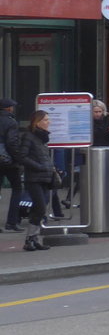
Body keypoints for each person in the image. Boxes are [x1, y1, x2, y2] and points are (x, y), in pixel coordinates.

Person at [14, 110, 56, 251]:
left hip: (44, 177)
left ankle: (34, 239)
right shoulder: (29, 136)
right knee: (40, 207)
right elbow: (22, 156)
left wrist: (50, 168)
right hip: (34, 178)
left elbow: (43, 156)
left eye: (48, 119)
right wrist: (39, 166)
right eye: (45, 120)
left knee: (39, 209)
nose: (48, 122)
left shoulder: (42, 138)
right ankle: (29, 239)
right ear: (36, 122)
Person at [1, 98, 23, 232]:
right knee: (17, 189)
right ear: (8, 108)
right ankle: (12, 222)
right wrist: (18, 158)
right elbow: (12, 143)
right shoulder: (11, 122)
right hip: (8, 161)